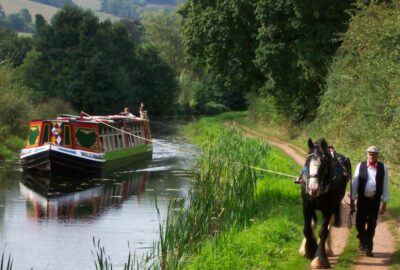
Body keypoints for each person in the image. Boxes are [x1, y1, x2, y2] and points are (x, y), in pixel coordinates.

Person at [350, 146, 389, 257]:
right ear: (367, 154)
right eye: (370, 154)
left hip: (375, 201)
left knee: (372, 224)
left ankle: (368, 248)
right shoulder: (360, 166)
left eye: (374, 154)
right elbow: (355, 182)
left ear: (377, 155)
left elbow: (385, 185)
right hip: (362, 199)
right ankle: (362, 239)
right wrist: (352, 199)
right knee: (359, 224)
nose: (371, 156)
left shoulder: (383, 168)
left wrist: (384, 203)